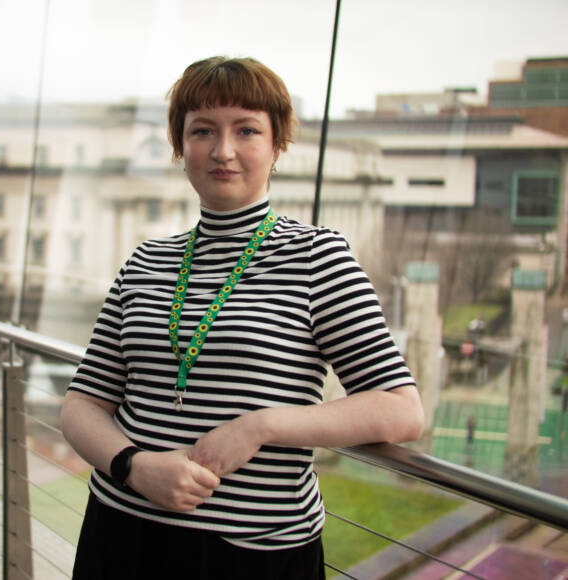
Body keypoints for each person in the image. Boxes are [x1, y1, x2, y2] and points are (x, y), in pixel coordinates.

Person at [61, 56, 425, 580]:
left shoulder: (317, 258)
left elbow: (402, 410)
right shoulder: (146, 261)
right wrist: (134, 466)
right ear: (180, 146)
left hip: (251, 554)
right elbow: (84, 403)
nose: (223, 150)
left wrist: (263, 426)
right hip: (119, 530)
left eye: (247, 130)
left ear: (277, 147)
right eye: (203, 130)